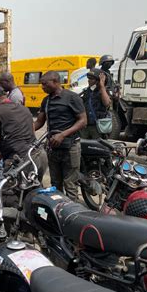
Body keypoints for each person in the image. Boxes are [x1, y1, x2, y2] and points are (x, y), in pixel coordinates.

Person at [34, 71, 87, 201]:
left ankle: (73, 215)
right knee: (55, 184)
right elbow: (39, 121)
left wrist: (62, 135)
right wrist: (26, 132)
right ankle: (59, 213)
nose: (42, 87)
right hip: (53, 148)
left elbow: (83, 121)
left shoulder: (72, 98)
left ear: (56, 82)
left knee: (70, 185)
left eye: (45, 84)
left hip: (71, 147)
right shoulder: (46, 100)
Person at [0, 86, 47, 181]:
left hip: (20, 160)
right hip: (39, 155)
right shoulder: (24, 109)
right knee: (34, 189)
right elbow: (32, 130)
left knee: (6, 191)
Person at [80, 68, 111, 139]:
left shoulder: (103, 91)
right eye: (88, 78)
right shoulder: (87, 91)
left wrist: (102, 86)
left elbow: (106, 103)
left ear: (98, 81)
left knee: (98, 148)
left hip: (97, 126)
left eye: (91, 79)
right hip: (86, 126)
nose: (89, 80)